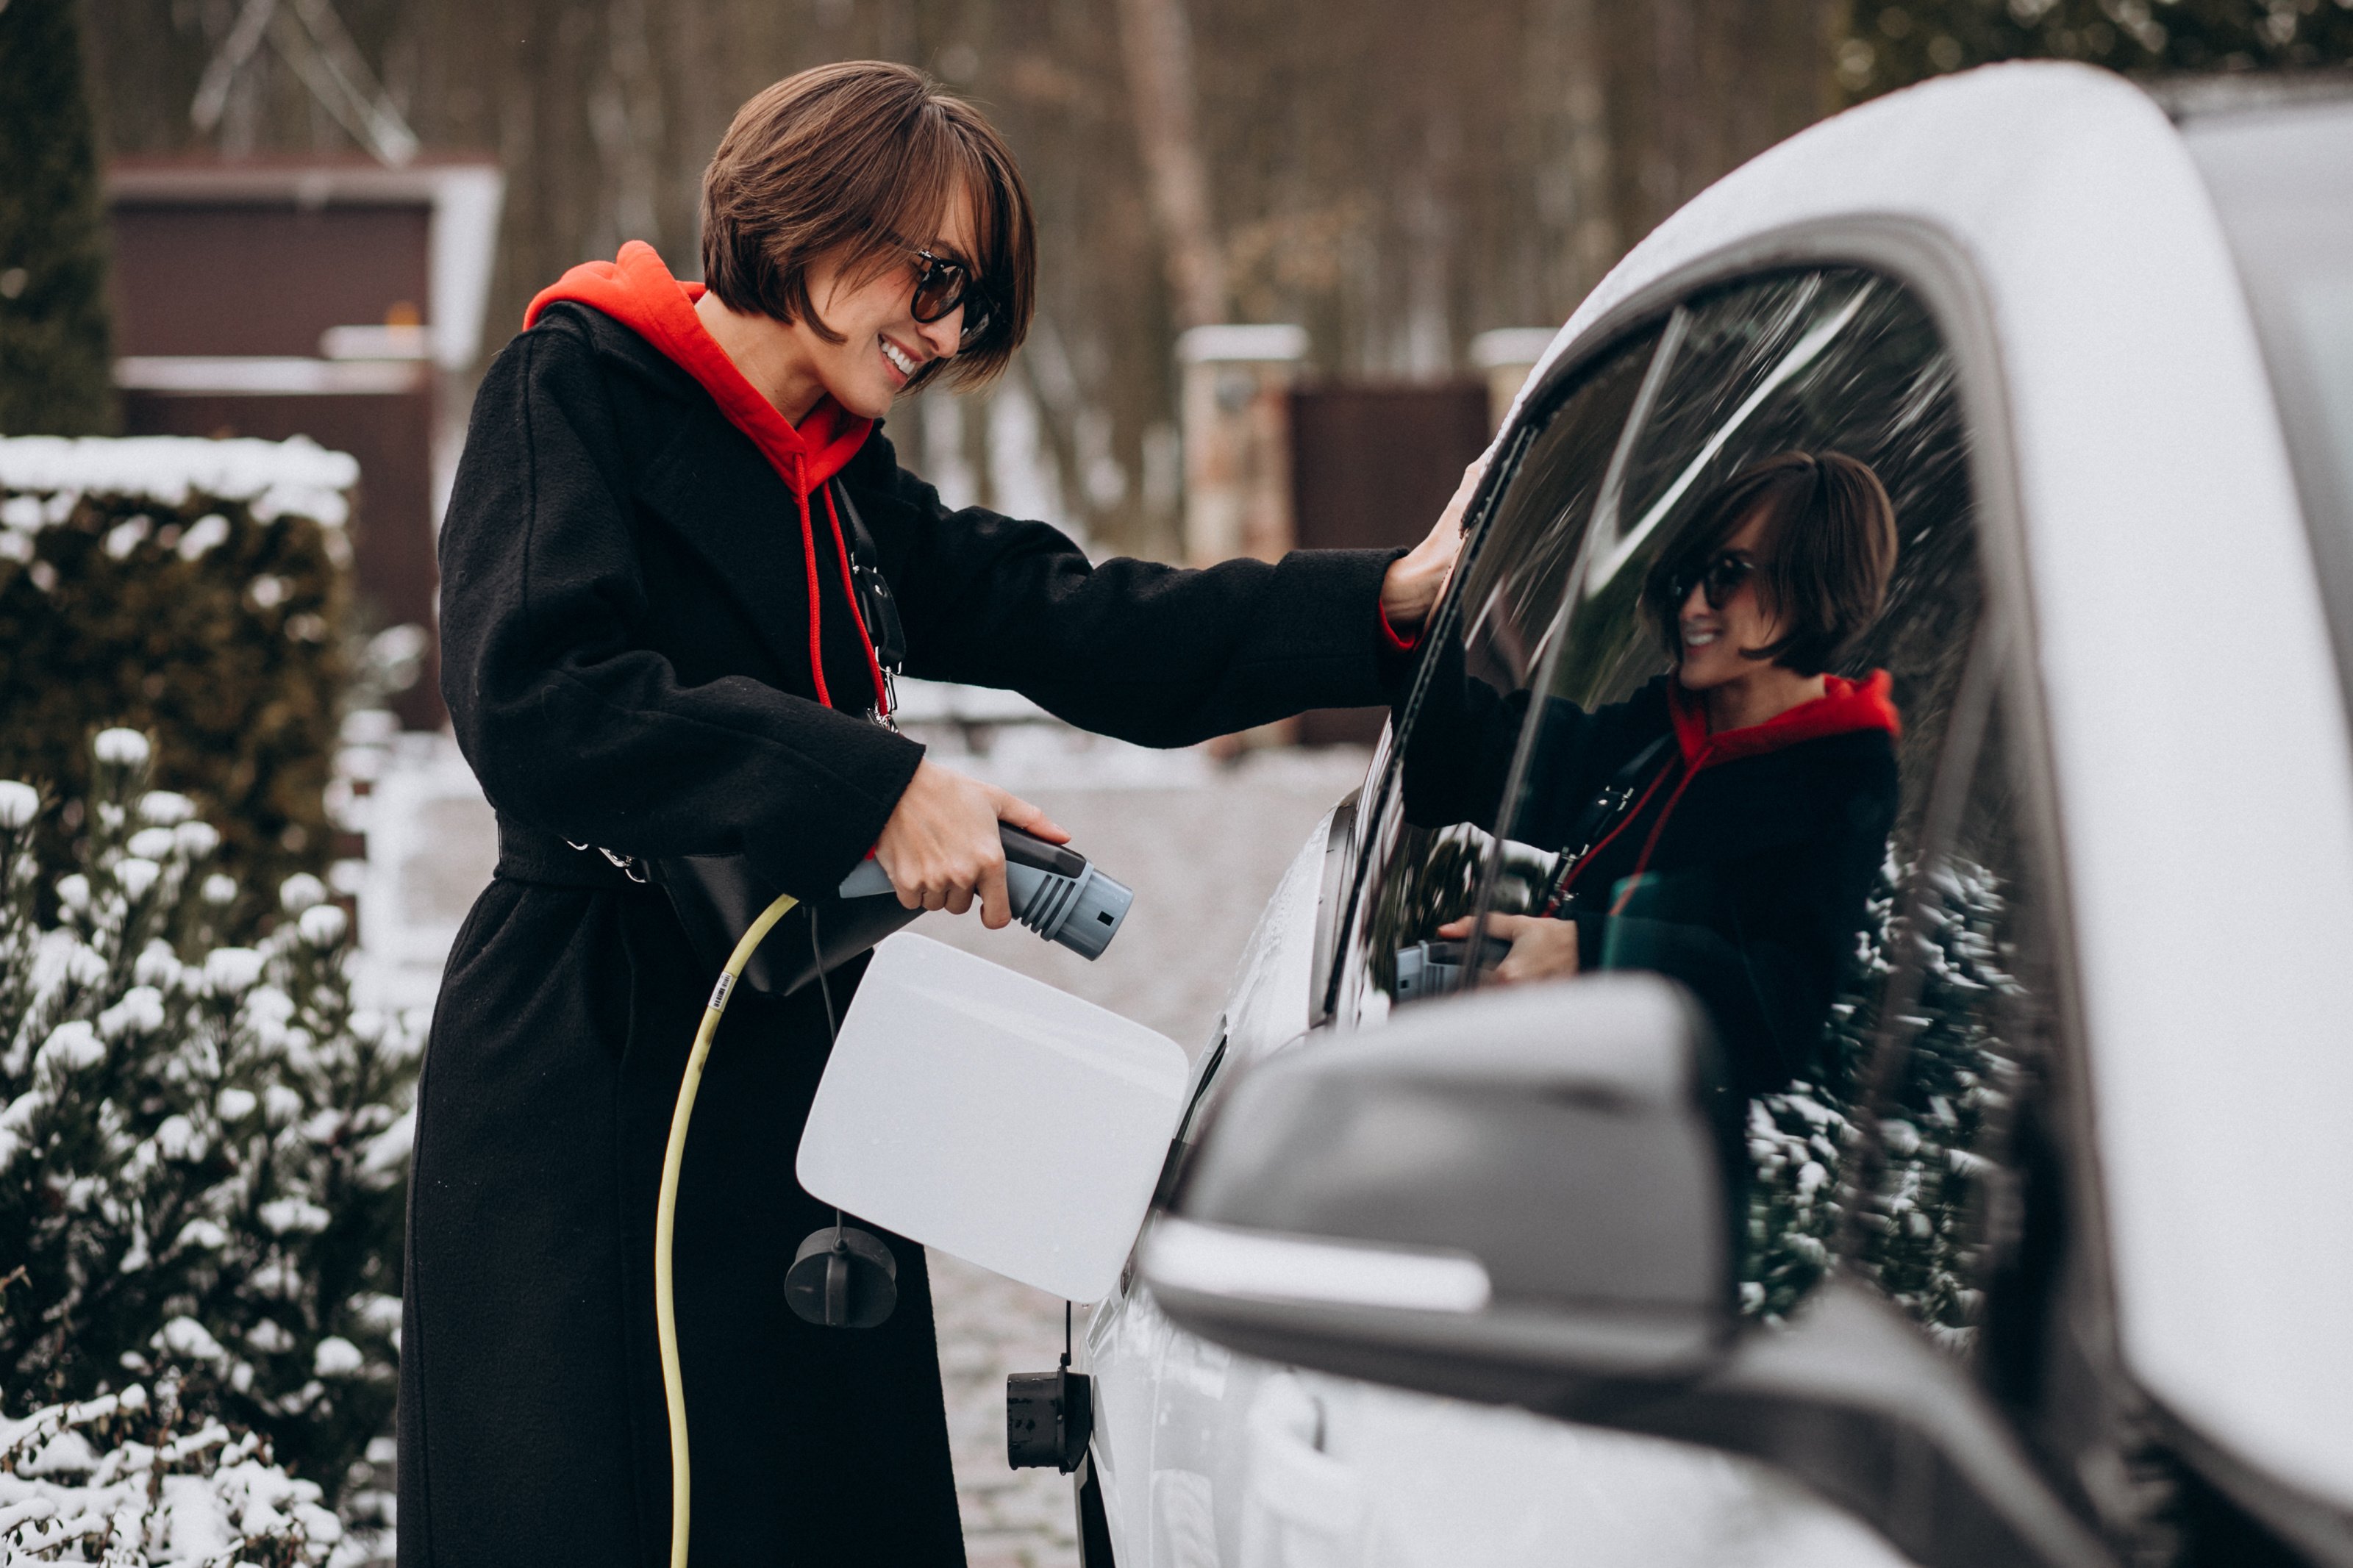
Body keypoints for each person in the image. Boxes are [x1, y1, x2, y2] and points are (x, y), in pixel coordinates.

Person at [399, 62, 1465, 1568]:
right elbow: (536, 701)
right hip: (595, 1074)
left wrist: (1377, 610)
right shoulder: (570, 387)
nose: (950, 329)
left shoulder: (838, 481)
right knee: (613, 1508)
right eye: (937, 275)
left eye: (974, 300)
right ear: (813, 215)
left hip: (796, 1063)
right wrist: (876, 784)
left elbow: (1079, 622)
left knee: (825, 1502)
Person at [1410, 451, 1900, 1097]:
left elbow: (1786, 1013)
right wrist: (1414, 597)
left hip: (1673, 1164)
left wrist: (1591, 950)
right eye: (1686, 577)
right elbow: (1465, 762)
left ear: (1813, 585)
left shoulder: (1845, 777)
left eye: (1728, 576)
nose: (1693, 605)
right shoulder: (1663, 728)